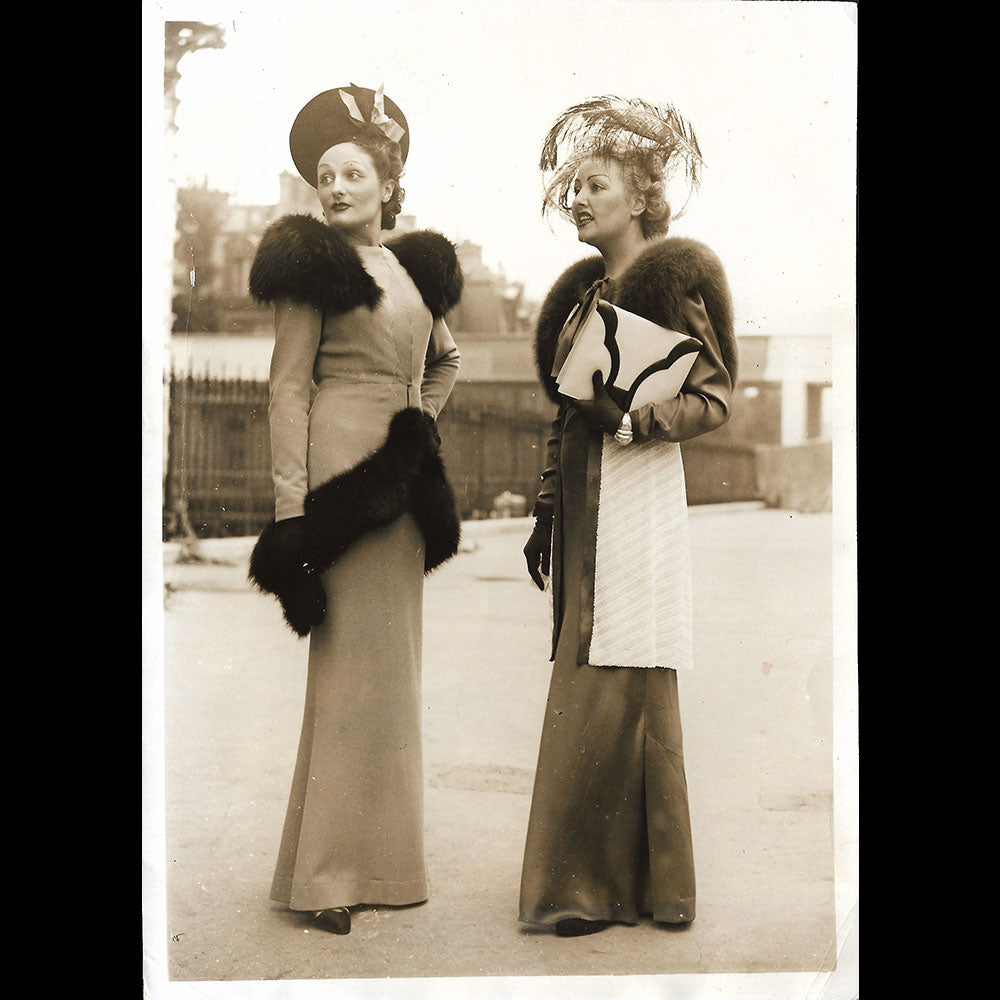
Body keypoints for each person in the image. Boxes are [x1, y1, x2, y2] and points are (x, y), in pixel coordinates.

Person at [246, 84, 463, 936]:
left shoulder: (412, 270)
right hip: (339, 493)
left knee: (392, 678)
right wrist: (292, 511)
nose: (333, 188)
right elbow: (287, 389)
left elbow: (443, 365)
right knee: (343, 676)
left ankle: (387, 867)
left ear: (386, 182)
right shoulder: (314, 269)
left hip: (402, 492)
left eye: (352, 173)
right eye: (323, 175)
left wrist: (416, 427)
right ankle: (326, 876)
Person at [519, 96, 739, 937]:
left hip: (640, 494)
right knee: (591, 665)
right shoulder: (587, 297)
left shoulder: (672, 282)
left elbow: (713, 395)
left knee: (625, 671)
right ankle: (621, 884)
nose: (576, 197)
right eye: (571, 185)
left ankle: (607, 887)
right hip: (583, 503)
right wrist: (544, 510)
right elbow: (563, 414)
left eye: (594, 184)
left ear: (640, 197)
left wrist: (639, 419)